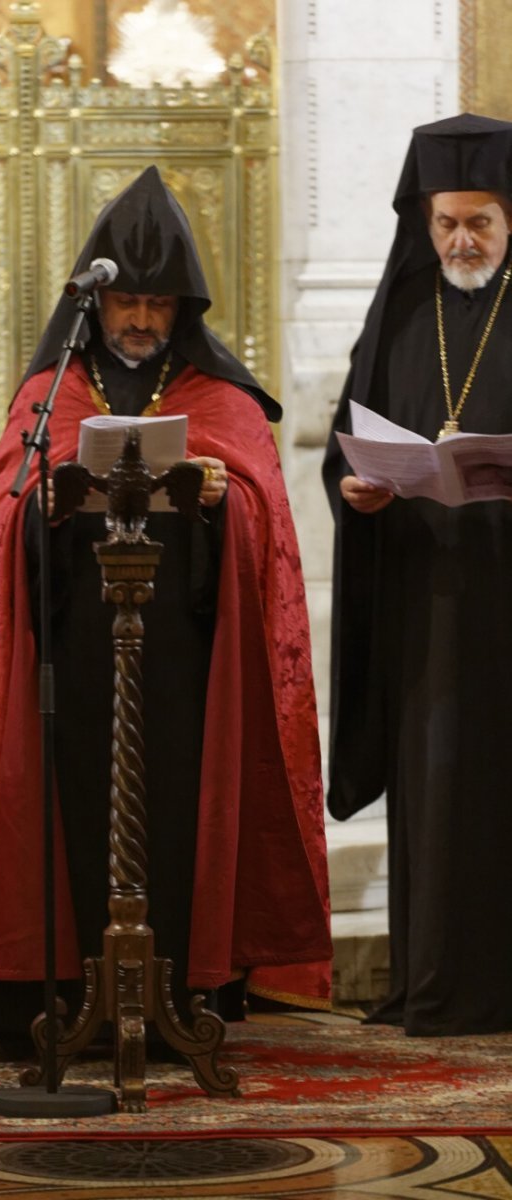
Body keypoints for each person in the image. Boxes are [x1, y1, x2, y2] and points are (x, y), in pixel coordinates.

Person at [0, 166, 331, 1056]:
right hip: (73, 652)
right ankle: (49, 995)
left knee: (173, 818)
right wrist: (41, 503)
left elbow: (258, 521)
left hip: (180, 665)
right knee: (67, 814)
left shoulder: (222, 399)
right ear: (95, 302)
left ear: (182, 310)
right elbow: (4, 506)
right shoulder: (52, 394)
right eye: (123, 300)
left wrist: (216, 497)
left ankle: (181, 996)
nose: (137, 319)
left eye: (157, 305)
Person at [323, 113, 512, 1036]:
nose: (461, 241)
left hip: (508, 595)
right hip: (426, 601)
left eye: (479, 222)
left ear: (510, 221)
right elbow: (347, 447)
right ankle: (433, 980)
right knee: (437, 785)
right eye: (445, 224)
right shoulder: (400, 312)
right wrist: (356, 488)